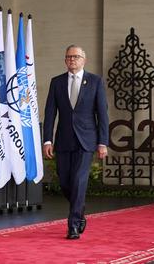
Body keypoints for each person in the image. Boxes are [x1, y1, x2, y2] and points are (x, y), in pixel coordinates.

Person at [43, 45, 109, 239]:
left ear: (84, 60)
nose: (72, 60)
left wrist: (103, 142)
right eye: (69, 57)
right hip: (63, 141)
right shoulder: (56, 82)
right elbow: (49, 114)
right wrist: (48, 140)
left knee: (79, 180)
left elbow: (102, 114)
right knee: (65, 182)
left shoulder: (95, 82)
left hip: (86, 141)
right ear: (65, 60)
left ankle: (73, 225)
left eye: (76, 57)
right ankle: (79, 208)